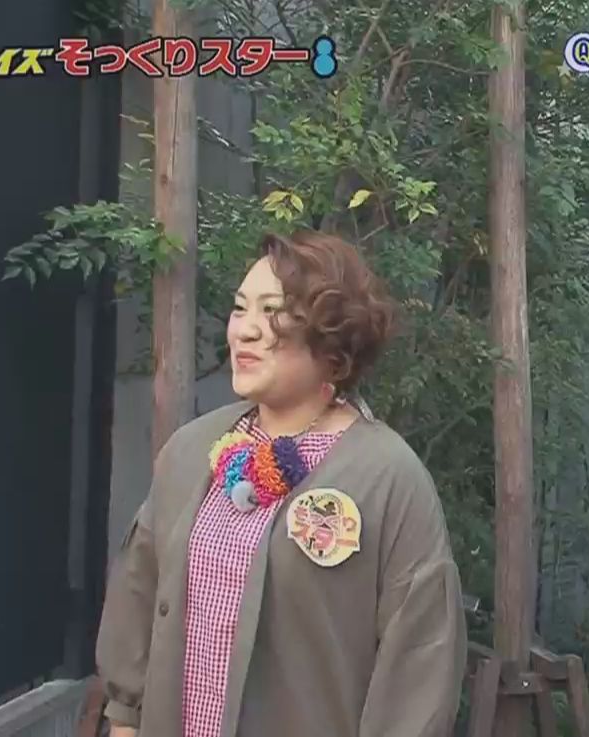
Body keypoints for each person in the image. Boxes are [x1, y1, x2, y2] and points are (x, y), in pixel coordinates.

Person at [97, 230, 467, 737]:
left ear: (333, 340)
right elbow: (137, 600)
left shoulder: (388, 478)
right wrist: (124, 722)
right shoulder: (191, 449)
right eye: (239, 308)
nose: (244, 331)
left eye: (272, 312)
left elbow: (418, 670)